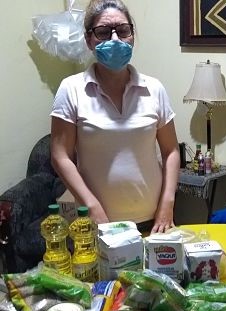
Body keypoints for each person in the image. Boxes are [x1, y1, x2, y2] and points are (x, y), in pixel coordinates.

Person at [50, 0, 180, 233]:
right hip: (97, 222)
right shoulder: (71, 89)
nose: (115, 39)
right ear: (88, 39)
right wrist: (90, 206)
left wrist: (167, 203)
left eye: (123, 30)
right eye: (103, 32)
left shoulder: (154, 88)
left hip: (153, 220)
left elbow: (171, 150)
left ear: (132, 35)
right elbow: (60, 156)